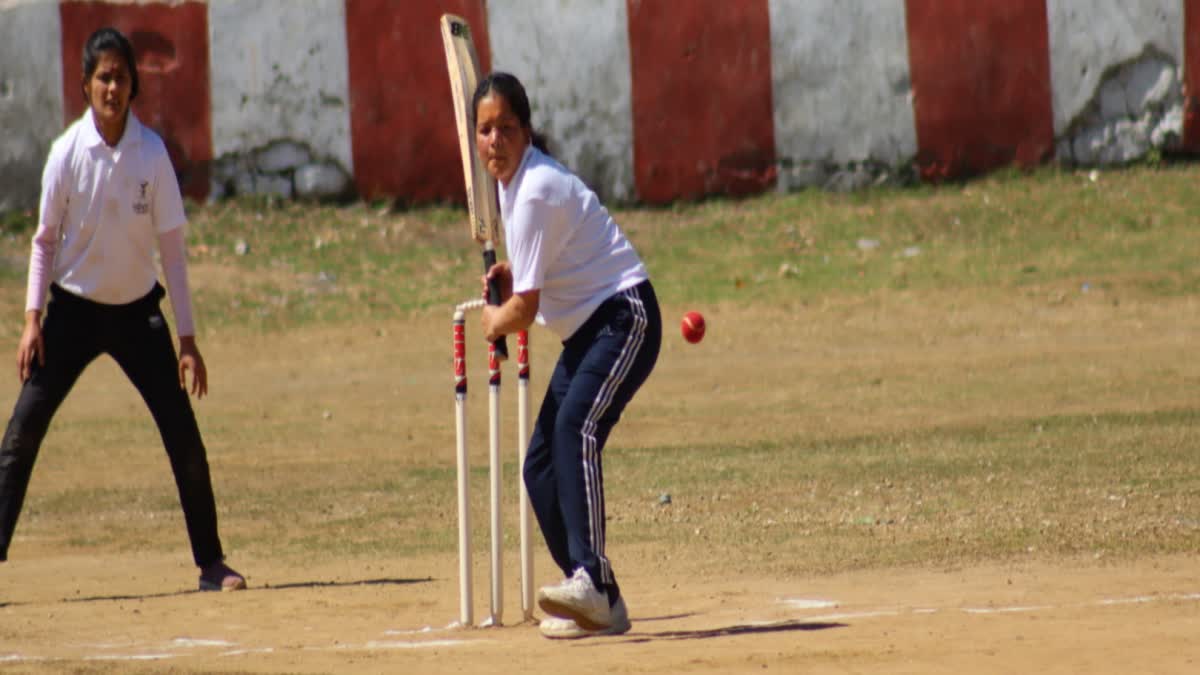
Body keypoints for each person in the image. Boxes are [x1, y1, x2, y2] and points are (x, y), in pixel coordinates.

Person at [0, 27, 246, 592]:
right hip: (71, 315)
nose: (112, 87)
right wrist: (31, 319)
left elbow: (174, 253)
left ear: (135, 85)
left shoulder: (151, 153)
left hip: (139, 314)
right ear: (85, 84)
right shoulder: (65, 154)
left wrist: (187, 340)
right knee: (21, 433)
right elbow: (43, 242)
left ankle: (211, 563)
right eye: (103, 76)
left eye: (122, 77)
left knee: (182, 435)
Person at [474, 72, 662, 639]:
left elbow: (524, 310)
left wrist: (491, 322)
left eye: (506, 127)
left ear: (526, 130)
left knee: (575, 431)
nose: (495, 141)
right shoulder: (514, 186)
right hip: (587, 331)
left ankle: (591, 581)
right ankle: (597, 599)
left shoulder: (532, 189)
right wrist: (515, 273)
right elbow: (541, 268)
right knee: (539, 465)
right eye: (484, 130)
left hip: (625, 316)